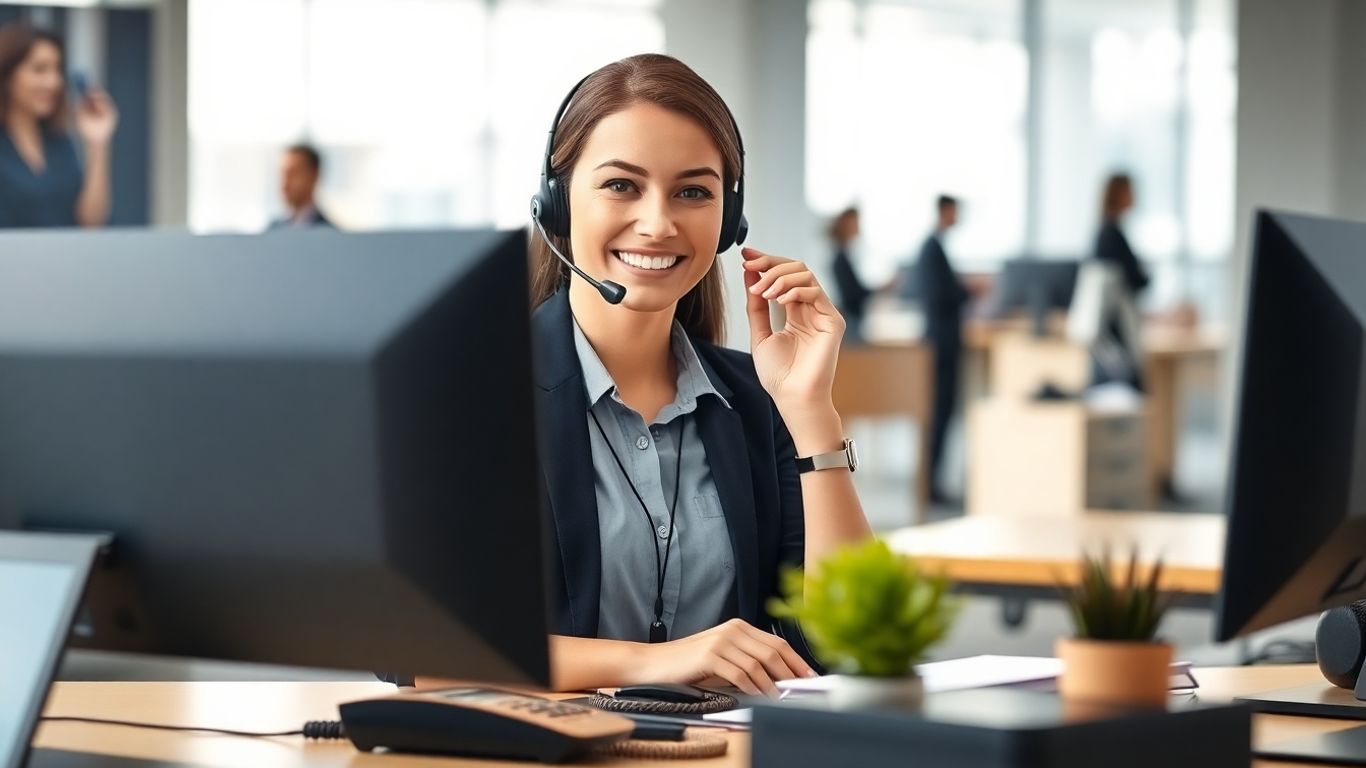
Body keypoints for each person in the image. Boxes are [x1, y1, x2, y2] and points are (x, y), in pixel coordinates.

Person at [509, 54, 870, 696]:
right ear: (557, 203)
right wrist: (657, 662)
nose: (658, 223)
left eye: (693, 191)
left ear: (729, 222)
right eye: (622, 185)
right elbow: (414, 650)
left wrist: (811, 413)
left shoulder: (755, 404)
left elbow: (854, 639)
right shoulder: (477, 390)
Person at [0, 22, 117, 229]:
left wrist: (98, 143)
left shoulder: (59, 143)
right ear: (8, 75)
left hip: (63, 259)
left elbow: (91, 224)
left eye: (57, 70)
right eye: (39, 69)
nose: (53, 82)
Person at [1069, 172, 1148, 392]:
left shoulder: (1105, 232)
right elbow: (1137, 279)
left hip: (1110, 333)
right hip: (1114, 332)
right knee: (1126, 391)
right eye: (1130, 192)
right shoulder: (1111, 234)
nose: (1134, 197)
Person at [915, 195, 968, 505]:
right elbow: (939, 295)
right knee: (939, 413)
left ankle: (934, 482)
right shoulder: (931, 248)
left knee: (945, 414)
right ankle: (931, 485)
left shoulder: (936, 247)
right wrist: (964, 291)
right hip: (941, 344)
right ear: (944, 211)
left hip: (945, 343)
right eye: (955, 212)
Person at [828, 207, 873, 341]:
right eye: (856, 222)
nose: (859, 226)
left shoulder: (845, 256)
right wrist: (880, 289)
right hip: (850, 319)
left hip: (853, 318)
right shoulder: (840, 258)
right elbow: (852, 293)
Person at [268, 143, 333, 229]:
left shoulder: (330, 234)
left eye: (293, 174)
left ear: (314, 176)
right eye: (283, 175)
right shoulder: (273, 229)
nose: (285, 183)